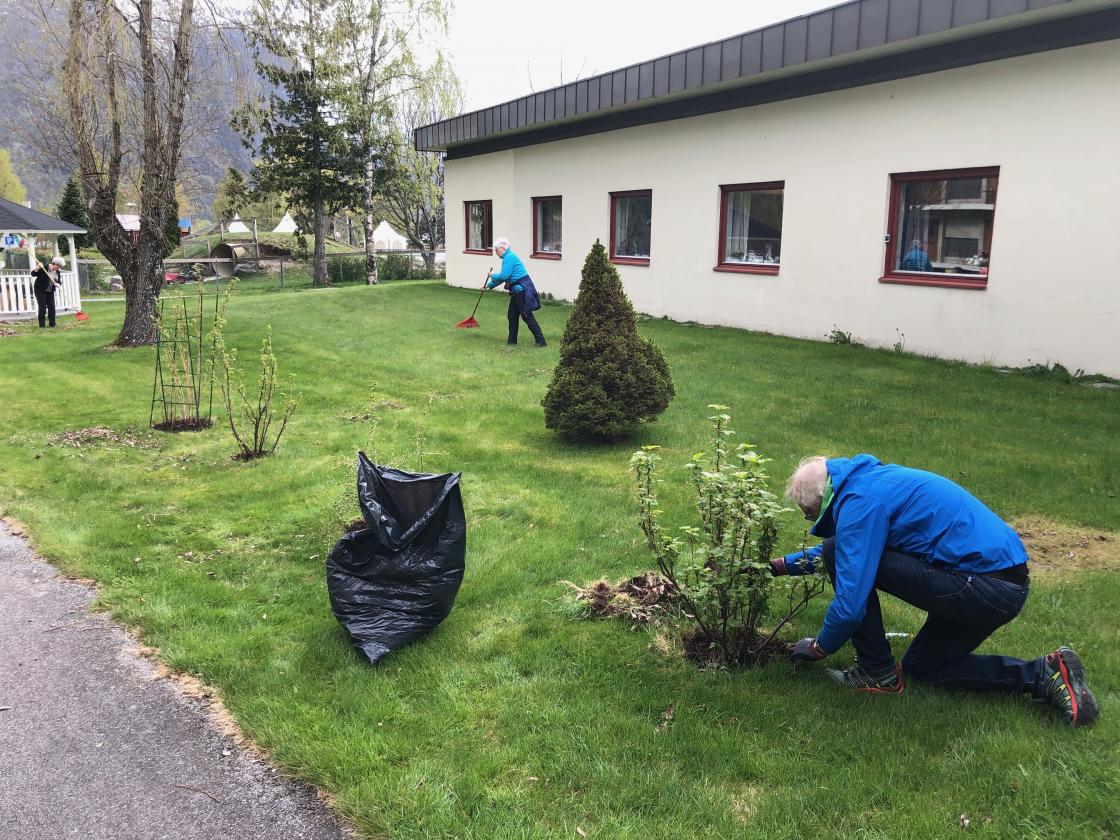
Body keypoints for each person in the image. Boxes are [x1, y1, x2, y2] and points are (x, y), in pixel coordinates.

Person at [773, 454, 1098, 727]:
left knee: (835, 554)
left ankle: (876, 673)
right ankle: (1043, 673)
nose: (810, 521)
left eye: (810, 515)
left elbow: (849, 598)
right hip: (1003, 586)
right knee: (924, 668)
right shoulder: (869, 483)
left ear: (822, 502)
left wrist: (819, 647)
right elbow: (851, 546)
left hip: (980, 587)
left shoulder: (860, 502)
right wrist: (778, 566)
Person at [485, 237, 547, 347]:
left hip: (522, 289)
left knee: (526, 315)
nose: (496, 252)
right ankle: (512, 342)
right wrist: (487, 286)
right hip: (516, 290)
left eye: (496, 250)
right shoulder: (508, 257)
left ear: (503, 248)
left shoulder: (509, 257)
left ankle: (541, 341)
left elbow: (504, 276)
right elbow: (504, 277)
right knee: (512, 315)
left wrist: (491, 275)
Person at [30, 256, 63, 328]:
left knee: (52, 307)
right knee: (42, 307)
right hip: (40, 290)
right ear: (55, 264)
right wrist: (38, 268)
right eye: (59, 266)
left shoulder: (57, 272)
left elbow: (59, 281)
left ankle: (52, 324)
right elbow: (33, 274)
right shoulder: (43, 268)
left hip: (50, 291)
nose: (60, 268)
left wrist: (58, 284)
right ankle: (42, 325)